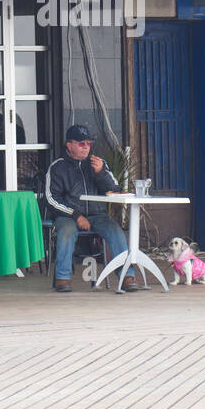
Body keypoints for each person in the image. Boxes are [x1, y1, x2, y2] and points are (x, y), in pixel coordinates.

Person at [44, 124, 138, 292]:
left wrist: (101, 172)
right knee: (66, 232)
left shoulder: (98, 163)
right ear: (69, 145)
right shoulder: (57, 167)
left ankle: (127, 275)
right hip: (69, 215)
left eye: (88, 143)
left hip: (97, 214)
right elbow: (51, 200)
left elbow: (114, 190)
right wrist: (76, 215)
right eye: (81, 144)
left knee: (116, 231)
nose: (86, 147)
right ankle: (62, 278)